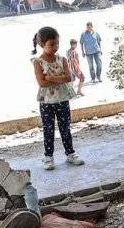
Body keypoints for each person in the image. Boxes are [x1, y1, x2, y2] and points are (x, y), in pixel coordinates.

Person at [31, 26, 84, 170]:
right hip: (47, 101)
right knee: (48, 129)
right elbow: (41, 82)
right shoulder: (38, 62)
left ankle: (70, 154)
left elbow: (69, 77)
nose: (55, 47)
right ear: (42, 44)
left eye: (57, 44)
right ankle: (48, 157)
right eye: (51, 44)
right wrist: (58, 79)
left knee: (65, 128)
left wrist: (50, 77)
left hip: (62, 99)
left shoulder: (62, 59)